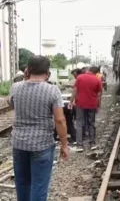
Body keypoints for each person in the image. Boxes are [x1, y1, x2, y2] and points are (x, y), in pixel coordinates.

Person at [7, 55, 69, 201]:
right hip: (42, 145)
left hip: (19, 144)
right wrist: (64, 144)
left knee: (22, 184)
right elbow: (59, 120)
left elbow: (11, 104)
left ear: (27, 70)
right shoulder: (52, 90)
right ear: (48, 72)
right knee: (39, 186)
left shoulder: (15, 87)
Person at [69, 66, 103, 151]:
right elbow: (99, 95)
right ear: (96, 72)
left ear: (88, 70)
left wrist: (71, 101)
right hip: (92, 104)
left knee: (79, 123)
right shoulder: (97, 80)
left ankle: (80, 145)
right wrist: (98, 106)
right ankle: (92, 143)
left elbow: (75, 90)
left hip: (80, 104)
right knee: (91, 123)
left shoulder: (80, 77)